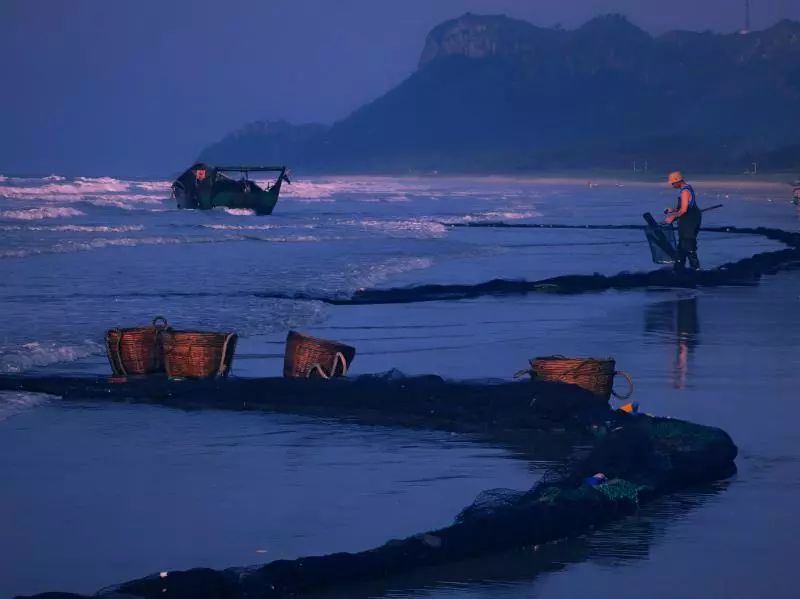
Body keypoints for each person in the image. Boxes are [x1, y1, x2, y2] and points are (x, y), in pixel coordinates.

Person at [664, 171, 701, 270]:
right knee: (682, 247)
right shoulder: (687, 188)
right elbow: (684, 207)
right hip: (688, 220)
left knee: (688, 246)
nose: (672, 185)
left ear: (678, 181)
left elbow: (684, 210)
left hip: (690, 222)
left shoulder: (685, 192)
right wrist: (673, 210)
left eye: (672, 183)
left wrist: (672, 217)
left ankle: (695, 269)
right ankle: (679, 268)